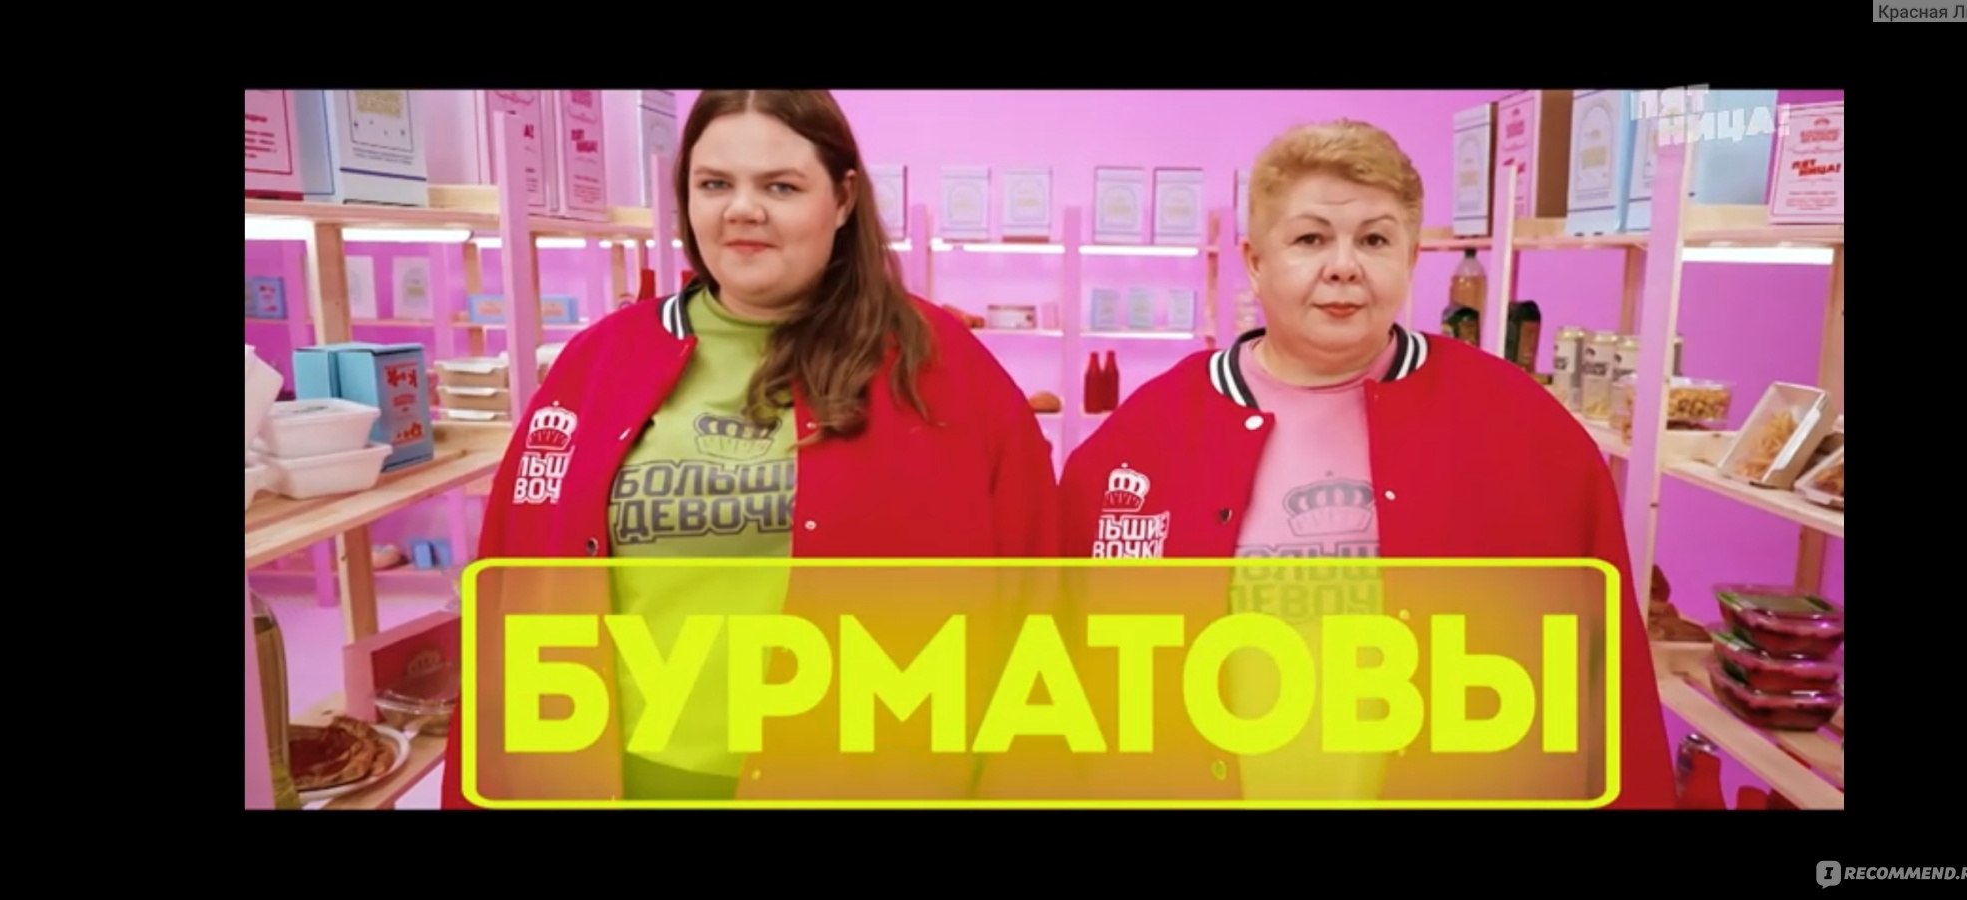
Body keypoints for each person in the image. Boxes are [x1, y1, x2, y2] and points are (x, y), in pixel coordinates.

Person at [440, 90, 1058, 808]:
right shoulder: (599, 363)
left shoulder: (940, 366)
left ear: (843, 199)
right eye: (714, 184)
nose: (742, 210)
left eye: (780, 186)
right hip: (635, 780)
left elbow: (1035, 597)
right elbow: (515, 591)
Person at [1055, 119, 1678, 808]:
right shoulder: (1142, 440)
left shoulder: (1525, 432)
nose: (1344, 266)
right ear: (1255, 261)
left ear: (1411, 258)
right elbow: (1065, 680)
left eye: (1375, 240)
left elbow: (1607, 686)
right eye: (1310, 239)